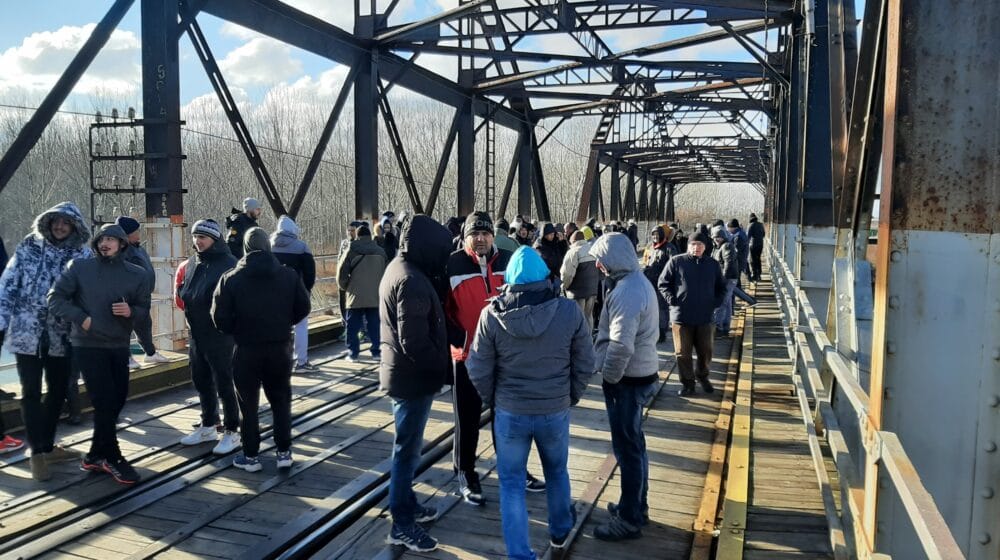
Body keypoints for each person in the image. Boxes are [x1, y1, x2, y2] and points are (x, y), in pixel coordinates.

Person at [466, 246, 595, 560]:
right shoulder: (568, 311)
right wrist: (570, 395)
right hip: (554, 409)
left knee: (510, 483)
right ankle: (560, 531)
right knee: (557, 472)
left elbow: (477, 367)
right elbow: (586, 361)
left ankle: (520, 555)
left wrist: (495, 399)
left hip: (511, 412)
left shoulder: (492, 314)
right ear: (544, 276)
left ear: (509, 278)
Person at [446, 211, 537, 506]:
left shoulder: (508, 262)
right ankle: (466, 471)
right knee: (467, 418)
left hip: (503, 356)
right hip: (467, 355)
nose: (481, 239)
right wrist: (459, 340)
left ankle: (514, 468)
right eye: (475, 234)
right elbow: (441, 311)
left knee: (508, 418)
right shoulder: (452, 264)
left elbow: (521, 300)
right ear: (466, 237)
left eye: (485, 233)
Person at [48, 223, 150, 485]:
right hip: (87, 344)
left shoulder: (136, 274)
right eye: (101, 239)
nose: (105, 243)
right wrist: (81, 319)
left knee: (117, 400)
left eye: (111, 239)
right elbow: (55, 298)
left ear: (122, 244)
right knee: (104, 400)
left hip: (119, 344)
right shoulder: (80, 268)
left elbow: (143, 309)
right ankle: (113, 457)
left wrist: (131, 313)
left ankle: (94, 454)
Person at [0, 203, 91, 479]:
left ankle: (47, 445)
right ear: (48, 223)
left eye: (66, 223)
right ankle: (37, 451)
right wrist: (2, 321)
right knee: (29, 391)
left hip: (62, 333)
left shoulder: (82, 255)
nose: (60, 227)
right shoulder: (29, 247)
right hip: (26, 329)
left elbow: (88, 293)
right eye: (56, 222)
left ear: (74, 226)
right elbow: (8, 283)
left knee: (58, 390)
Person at [380, 215, 454, 552]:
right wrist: (443, 369)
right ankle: (401, 523)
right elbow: (415, 341)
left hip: (401, 374)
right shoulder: (411, 280)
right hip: (412, 379)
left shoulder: (398, 268)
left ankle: (407, 504)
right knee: (406, 453)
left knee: (406, 448)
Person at [212, 228, 310, 472]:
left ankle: (251, 456)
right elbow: (303, 307)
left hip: (246, 348)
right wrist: (284, 322)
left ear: (245, 247)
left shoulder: (231, 278)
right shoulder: (288, 275)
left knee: (248, 404)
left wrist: (237, 330)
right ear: (268, 246)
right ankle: (284, 452)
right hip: (280, 347)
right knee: (280, 401)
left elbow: (219, 317)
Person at [588, 232, 660, 541]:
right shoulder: (636, 282)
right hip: (641, 374)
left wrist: (609, 378)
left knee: (627, 450)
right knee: (635, 445)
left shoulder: (626, 293)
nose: (598, 267)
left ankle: (629, 519)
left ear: (610, 262)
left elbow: (620, 346)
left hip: (627, 381)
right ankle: (636, 505)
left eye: (600, 261)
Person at [173, 219, 241, 454]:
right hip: (196, 332)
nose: (197, 241)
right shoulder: (193, 262)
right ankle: (208, 424)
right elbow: (185, 292)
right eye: (194, 237)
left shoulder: (229, 263)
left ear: (214, 239)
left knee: (224, 382)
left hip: (220, 335)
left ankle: (232, 430)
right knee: (200, 380)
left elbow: (236, 300)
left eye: (202, 237)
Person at [658, 229, 727, 397]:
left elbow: (721, 287)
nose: (696, 248)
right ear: (688, 246)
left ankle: (702, 376)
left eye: (700, 245)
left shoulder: (712, 264)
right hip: (681, 317)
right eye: (693, 244)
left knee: (706, 351)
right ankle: (688, 383)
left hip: (705, 317)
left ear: (705, 247)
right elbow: (663, 283)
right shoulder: (676, 262)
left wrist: (716, 302)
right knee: (682, 353)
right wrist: (671, 299)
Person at [115, 216, 169, 369]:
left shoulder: (138, 248)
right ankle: (126, 357)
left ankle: (150, 353)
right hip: (129, 296)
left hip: (142, 295)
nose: (139, 233)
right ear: (127, 234)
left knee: (144, 325)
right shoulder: (122, 251)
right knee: (124, 326)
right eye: (136, 231)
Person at [271, 216, 317, 371]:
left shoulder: (269, 246)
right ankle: (301, 362)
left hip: (274, 294)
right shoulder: (302, 247)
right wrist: (306, 290)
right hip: (297, 293)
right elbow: (310, 274)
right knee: (301, 326)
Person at [337, 224, 387, 362]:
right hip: (374, 295)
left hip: (355, 294)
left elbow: (341, 274)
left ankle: (353, 353)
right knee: (375, 325)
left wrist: (346, 287)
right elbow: (386, 273)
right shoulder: (380, 251)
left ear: (357, 236)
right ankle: (376, 352)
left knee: (352, 326)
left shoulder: (351, 250)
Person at [559, 230, 599, 333]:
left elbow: (567, 274)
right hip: (592, 290)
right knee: (588, 316)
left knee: (577, 319)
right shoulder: (593, 249)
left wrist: (564, 286)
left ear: (573, 241)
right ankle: (589, 341)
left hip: (577, 291)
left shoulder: (573, 252)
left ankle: (579, 343)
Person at [642, 224, 677, 343]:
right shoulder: (651, 247)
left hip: (662, 283)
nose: (655, 237)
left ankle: (662, 331)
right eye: (653, 235)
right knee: (652, 307)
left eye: (657, 235)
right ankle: (653, 330)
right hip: (650, 281)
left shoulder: (669, 248)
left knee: (662, 308)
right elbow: (646, 261)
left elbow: (674, 266)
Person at [711, 225, 739, 337]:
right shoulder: (719, 247)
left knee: (721, 302)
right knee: (726, 303)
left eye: (719, 237)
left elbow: (728, 263)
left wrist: (723, 279)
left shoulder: (726, 246)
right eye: (714, 237)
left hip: (727, 278)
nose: (716, 239)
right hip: (728, 277)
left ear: (723, 237)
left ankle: (718, 327)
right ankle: (725, 327)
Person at [727, 219, 749, 284]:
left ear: (732, 227)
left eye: (729, 228)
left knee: (736, 281)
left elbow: (736, 250)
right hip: (742, 259)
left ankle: (740, 293)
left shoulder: (737, 236)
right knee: (737, 279)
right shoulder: (741, 233)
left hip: (738, 261)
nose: (728, 230)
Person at [747, 214, 765, 282]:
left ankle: (755, 275)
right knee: (758, 258)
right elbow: (763, 234)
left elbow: (748, 236)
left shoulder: (750, 225)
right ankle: (759, 274)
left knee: (752, 260)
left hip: (753, 245)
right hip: (760, 244)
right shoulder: (761, 224)